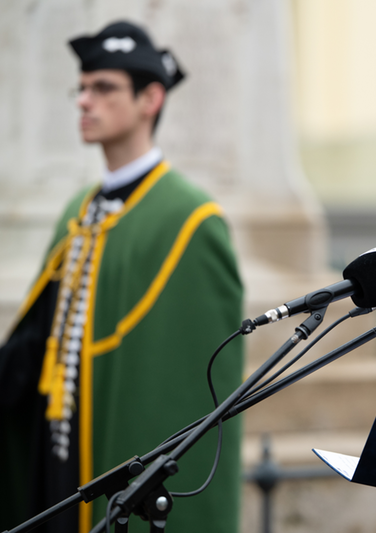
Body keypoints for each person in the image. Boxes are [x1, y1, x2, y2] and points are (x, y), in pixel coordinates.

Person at [0, 21, 244, 533]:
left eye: (104, 88)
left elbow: (194, 388)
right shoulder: (79, 208)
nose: (84, 102)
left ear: (150, 99)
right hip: (55, 459)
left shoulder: (190, 218)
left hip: (115, 463)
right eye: (81, 88)